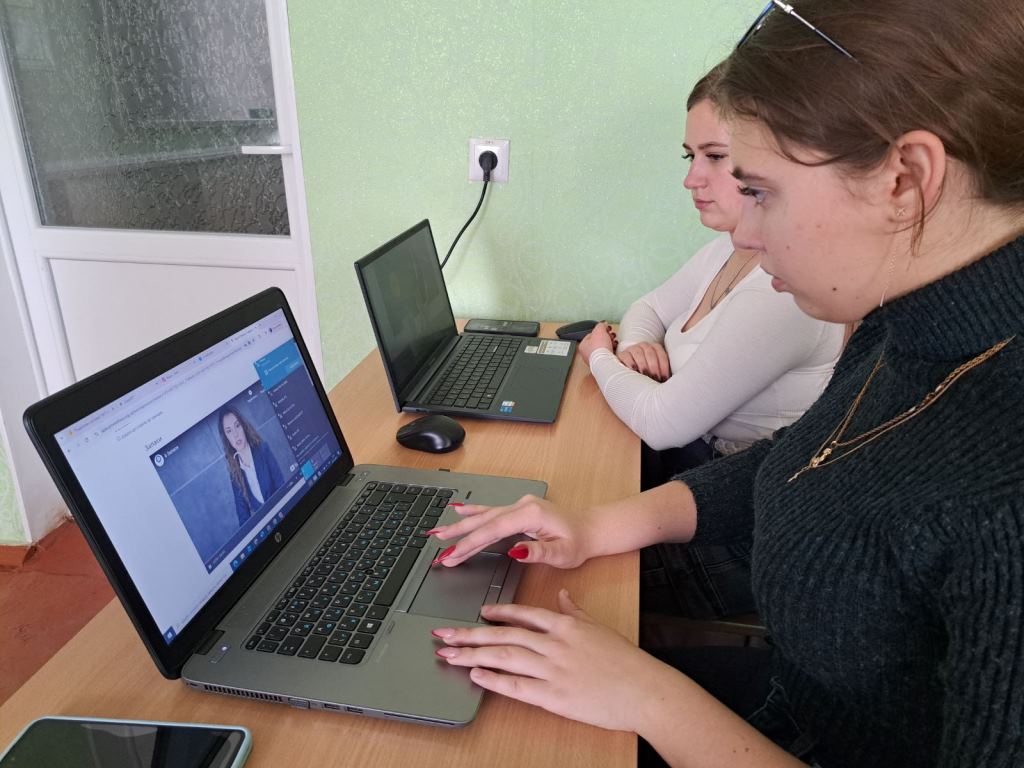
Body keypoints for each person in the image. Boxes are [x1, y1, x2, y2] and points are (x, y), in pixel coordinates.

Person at [425, 1, 1024, 765]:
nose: (743, 231)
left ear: (905, 179)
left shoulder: (1005, 487)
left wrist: (647, 696)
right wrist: (597, 526)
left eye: (762, 192)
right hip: (789, 704)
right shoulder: (904, 321)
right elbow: (811, 455)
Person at [584, 65, 846, 620]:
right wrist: (635, 351)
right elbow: (648, 308)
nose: (691, 179)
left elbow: (664, 423)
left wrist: (601, 356)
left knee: (552, 574)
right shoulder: (732, 247)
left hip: (736, 535)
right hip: (692, 483)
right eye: (690, 157)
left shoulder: (781, 287)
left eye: (715, 157)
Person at [219, 407, 284, 526]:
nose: (235, 434)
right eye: (229, 431)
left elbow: (281, 486)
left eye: (237, 425)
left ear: (243, 426)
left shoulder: (263, 450)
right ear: (226, 438)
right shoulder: (235, 474)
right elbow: (243, 517)